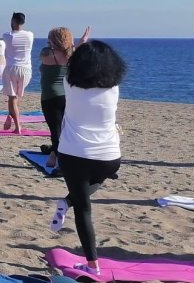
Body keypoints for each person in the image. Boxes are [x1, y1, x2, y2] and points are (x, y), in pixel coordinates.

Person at [50, 40, 126, 277]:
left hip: (74, 154)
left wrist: (76, 47)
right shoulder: (113, 90)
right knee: (100, 179)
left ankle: (92, 264)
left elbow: (68, 63)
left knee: (84, 209)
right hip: (109, 156)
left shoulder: (69, 85)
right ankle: (68, 202)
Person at [41, 26, 92, 169]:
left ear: (53, 40)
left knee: (55, 129)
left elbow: (46, 52)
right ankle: (57, 154)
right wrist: (80, 42)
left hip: (50, 96)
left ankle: (56, 158)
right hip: (68, 96)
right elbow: (70, 50)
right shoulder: (72, 54)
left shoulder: (47, 53)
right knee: (65, 128)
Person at [1, 12, 35, 134]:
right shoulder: (30, 35)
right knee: (16, 97)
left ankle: (17, 126)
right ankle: (10, 117)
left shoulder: (7, 35)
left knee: (13, 98)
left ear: (13, 21)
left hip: (11, 68)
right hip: (26, 70)